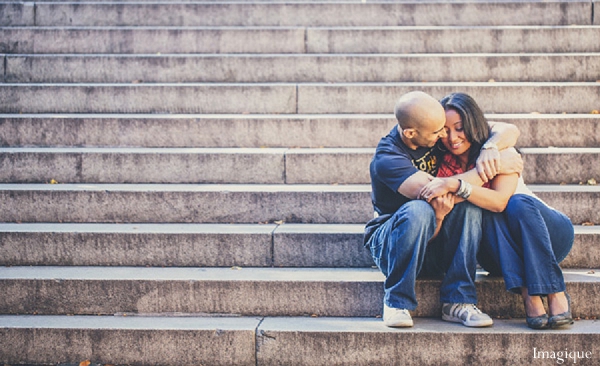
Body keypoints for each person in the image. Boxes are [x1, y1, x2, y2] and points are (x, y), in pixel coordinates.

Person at [364, 91, 523, 328]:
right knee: (418, 209)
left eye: (445, 128)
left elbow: (508, 129)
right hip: (392, 245)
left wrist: (491, 147)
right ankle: (396, 301)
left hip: (436, 243)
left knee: (469, 207)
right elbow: (437, 193)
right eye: (438, 131)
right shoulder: (388, 157)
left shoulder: (433, 130)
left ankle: (458, 302)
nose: (444, 136)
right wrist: (494, 166)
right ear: (410, 133)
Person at [419, 92, 574, 329]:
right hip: (498, 254)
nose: (452, 138)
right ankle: (530, 294)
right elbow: (445, 199)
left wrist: (458, 184)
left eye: (459, 128)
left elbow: (501, 200)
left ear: (472, 123)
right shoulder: (442, 165)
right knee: (485, 212)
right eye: (445, 131)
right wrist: (458, 186)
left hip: (549, 235)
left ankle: (552, 291)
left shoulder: (498, 151)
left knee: (516, 203)